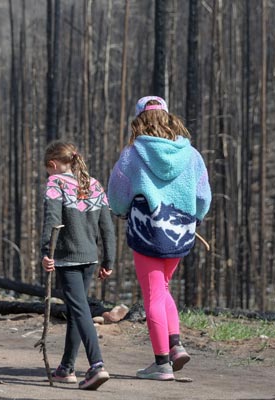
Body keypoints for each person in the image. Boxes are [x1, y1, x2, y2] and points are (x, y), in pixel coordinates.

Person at [107, 96, 211, 381]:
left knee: (153, 293)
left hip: (146, 228)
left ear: (139, 119)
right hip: (180, 230)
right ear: (168, 117)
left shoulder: (133, 153)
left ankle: (161, 363)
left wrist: (120, 210)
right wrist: (195, 218)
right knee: (162, 287)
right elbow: (203, 195)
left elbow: (117, 191)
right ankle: (175, 346)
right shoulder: (191, 155)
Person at [39, 140, 116, 390]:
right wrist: (109, 260)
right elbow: (107, 227)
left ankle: (96, 365)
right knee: (76, 310)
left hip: (68, 258)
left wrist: (45, 251)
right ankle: (66, 368)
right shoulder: (94, 184)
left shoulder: (55, 183)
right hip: (90, 258)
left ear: (52, 164)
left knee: (80, 310)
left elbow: (52, 219)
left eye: (47, 169)